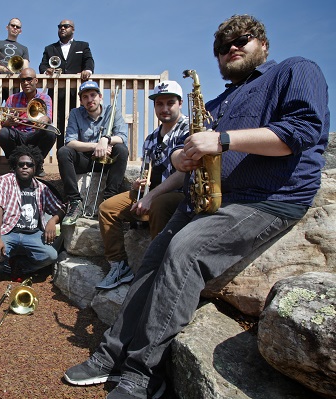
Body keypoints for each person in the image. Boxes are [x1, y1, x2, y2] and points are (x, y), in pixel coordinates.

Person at [63, 14, 329, 399]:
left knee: (184, 252)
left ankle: (143, 374)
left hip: (267, 199)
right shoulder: (219, 101)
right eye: (223, 47)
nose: (232, 48)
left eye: (242, 40)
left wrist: (221, 141)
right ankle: (111, 354)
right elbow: (191, 153)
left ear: (264, 44)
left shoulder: (295, 70)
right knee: (151, 263)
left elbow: (299, 132)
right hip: (207, 198)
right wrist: (179, 160)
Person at [95, 80, 188, 290]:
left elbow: (184, 174)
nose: (164, 108)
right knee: (107, 208)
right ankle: (119, 266)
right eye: (159, 104)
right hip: (154, 193)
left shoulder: (189, 129)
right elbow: (148, 171)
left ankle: (157, 272)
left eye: (170, 103)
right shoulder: (151, 138)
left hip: (182, 193)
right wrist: (139, 186)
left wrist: (150, 196)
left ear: (180, 103)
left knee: (159, 204)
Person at [0, 145, 64, 283]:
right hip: (6, 232)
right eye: (21, 164)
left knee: (51, 255)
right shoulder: (3, 181)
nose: (25, 167)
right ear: (15, 166)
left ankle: (19, 266)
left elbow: (62, 208)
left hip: (32, 234)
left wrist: (52, 221)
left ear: (35, 168)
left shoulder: (42, 188)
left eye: (29, 165)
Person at [58, 80, 129, 226]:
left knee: (122, 150)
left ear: (100, 96)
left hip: (106, 158)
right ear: (81, 100)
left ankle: (109, 200)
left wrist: (106, 139)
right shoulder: (75, 113)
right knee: (64, 152)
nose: (90, 100)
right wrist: (96, 145)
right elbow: (70, 142)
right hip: (86, 160)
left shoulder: (112, 110)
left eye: (92, 95)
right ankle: (75, 202)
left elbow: (122, 137)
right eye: (85, 97)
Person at [39, 19, 95, 149]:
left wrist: (87, 70)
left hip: (76, 93)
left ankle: (77, 153)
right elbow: (42, 65)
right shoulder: (50, 48)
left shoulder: (83, 46)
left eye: (66, 26)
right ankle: (60, 154)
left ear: (73, 29)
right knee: (57, 123)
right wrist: (46, 70)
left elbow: (89, 61)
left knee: (78, 122)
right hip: (56, 93)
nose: (62, 28)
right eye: (60, 27)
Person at [0, 68, 57, 176]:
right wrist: (8, 122)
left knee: (50, 131)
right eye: (22, 80)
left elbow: (48, 118)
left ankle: (37, 164)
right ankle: (14, 164)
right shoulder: (12, 98)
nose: (25, 83)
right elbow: (3, 120)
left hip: (35, 133)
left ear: (36, 81)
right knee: (3, 133)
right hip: (18, 134)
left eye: (29, 79)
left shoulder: (45, 98)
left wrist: (44, 120)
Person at [0, 18, 30, 108]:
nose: (15, 28)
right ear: (7, 27)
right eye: (12, 25)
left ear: (20, 31)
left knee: (14, 112)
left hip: (15, 84)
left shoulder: (24, 48)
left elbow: (26, 68)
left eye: (18, 27)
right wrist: (4, 68)